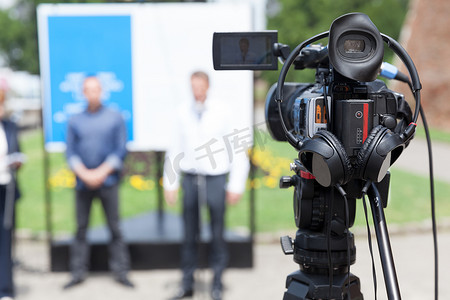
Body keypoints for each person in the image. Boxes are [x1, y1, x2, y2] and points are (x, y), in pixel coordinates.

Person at [163, 71, 249, 300]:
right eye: (193, 86)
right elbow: (175, 148)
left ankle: (217, 282)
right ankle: (187, 283)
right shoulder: (182, 111)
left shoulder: (222, 111)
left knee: (217, 232)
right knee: (189, 233)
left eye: (200, 86)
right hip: (191, 177)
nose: (197, 90)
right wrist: (170, 182)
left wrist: (236, 184)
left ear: (207, 86)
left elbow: (236, 147)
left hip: (215, 176)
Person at [63, 76, 133, 289]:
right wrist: (84, 173)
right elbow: (70, 151)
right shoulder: (75, 120)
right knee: (81, 228)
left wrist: (102, 171)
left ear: (101, 91)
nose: (92, 93)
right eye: (88, 90)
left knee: (115, 227)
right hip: (83, 183)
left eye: (96, 89)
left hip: (108, 180)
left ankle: (121, 272)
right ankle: (78, 272)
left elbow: (120, 149)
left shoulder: (115, 117)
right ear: (83, 93)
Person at [0, 80, 22, 300]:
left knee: (6, 241)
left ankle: (5, 289)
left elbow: (18, 151)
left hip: (6, 189)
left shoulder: (10, 126)